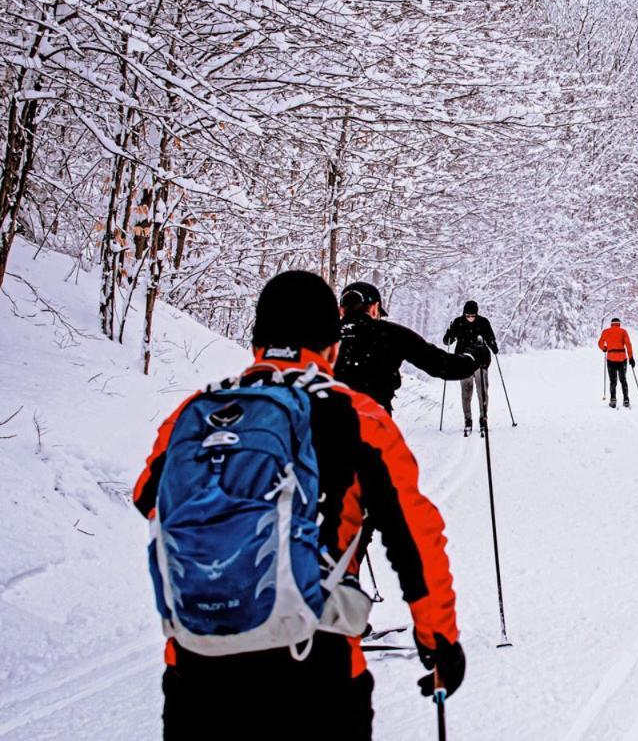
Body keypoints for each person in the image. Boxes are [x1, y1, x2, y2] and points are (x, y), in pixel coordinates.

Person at [133, 271, 466, 740]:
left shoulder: (198, 410)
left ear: (257, 343)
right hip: (315, 667)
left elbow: (147, 495)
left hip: (196, 667)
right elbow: (414, 537)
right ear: (332, 346)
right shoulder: (358, 416)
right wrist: (438, 640)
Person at [335, 281, 481, 414]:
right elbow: (441, 365)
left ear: (341, 310)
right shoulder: (392, 334)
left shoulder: (319, 336)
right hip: (373, 422)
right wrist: (473, 357)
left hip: (322, 423)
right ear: (375, 308)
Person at [443, 300, 499, 437]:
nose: (470, 318)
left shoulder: (483, 322)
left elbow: (490, 337)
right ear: (464, 314)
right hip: (463, 362)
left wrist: (493, 346)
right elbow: (447, 341)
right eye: (468, 316)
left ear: (476, 313)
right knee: (466, 393)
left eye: (473, 316)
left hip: (481, 362)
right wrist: (449, 333)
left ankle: (483, 419)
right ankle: (467, 420)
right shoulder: (458, 322)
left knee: (482, 392)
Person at [598, 317, 635, 408]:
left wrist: (604, 348)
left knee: (613, 381)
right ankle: (626, 399)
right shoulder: (623, 331)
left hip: (611, 359)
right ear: (619, 324)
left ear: (611, 324)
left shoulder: (606, 332)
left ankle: (613, 399)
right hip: (622, 359)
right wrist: (631, 357)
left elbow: (600, 343)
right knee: (623, 380)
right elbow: (628, 344)